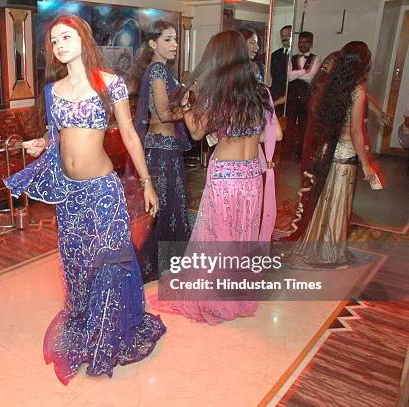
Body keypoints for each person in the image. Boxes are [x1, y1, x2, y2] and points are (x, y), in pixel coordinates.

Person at [3, 15, 166, 384]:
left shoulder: (111, 84)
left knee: (110, 260)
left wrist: (147, 182)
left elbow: (129, 133)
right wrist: (40, 145)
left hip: (101, 190)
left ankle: (107, 335)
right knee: (76, 263)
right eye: (54, 41)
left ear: (83, 38)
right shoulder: (52, 90)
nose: (59, 44)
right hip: (70, 196)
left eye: (66, 36)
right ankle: (85, 324)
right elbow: (58, 139)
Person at [148, 30, 282, 324]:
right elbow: (277, 133)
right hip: (250, 178)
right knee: (240, 235)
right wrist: (245, 129)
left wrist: (186, 105)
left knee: (215, 237)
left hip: (224, 177)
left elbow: (196, 132)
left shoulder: (218, 92)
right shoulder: (261, 92)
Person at [286, 41, 377, 267]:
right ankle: (328, 251)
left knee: (326, 200)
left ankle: (319, 246)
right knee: (338, 202)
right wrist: (367, 165)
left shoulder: (335, 86)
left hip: (330, 151)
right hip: (345, 155)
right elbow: (356, 131)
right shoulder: (357, 90)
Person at [129, 20, 191, 283]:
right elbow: (165, 114)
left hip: (165, 149)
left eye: (176, 39)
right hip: (160, 151)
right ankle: (154, 265)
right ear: (153, 43)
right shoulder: (157, 71)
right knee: (163, 210)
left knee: (166, 208)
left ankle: (163, 264)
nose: (174, 44)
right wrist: (189, 107)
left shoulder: (162, 70)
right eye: (168, 39)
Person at [285, 31, 321, 161]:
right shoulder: (292, 57)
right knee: (290, 127)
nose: (302, 45)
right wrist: (304, 71)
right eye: (301, 42)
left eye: (306, 42)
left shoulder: (316, 59)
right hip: (292, 98)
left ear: (311, 44)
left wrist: (297, 73)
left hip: (307, 98)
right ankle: (287, 154)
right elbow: (288, 77)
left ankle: (301, 155)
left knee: (304, 128)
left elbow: (311, 78)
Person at [270, 25, 292, 114]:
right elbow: (274, 77)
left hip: (292, 98)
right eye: (283, 36)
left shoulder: (297, 56)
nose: (285, 38)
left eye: (288, 35)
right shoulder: (275, 55)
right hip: (277, 95)